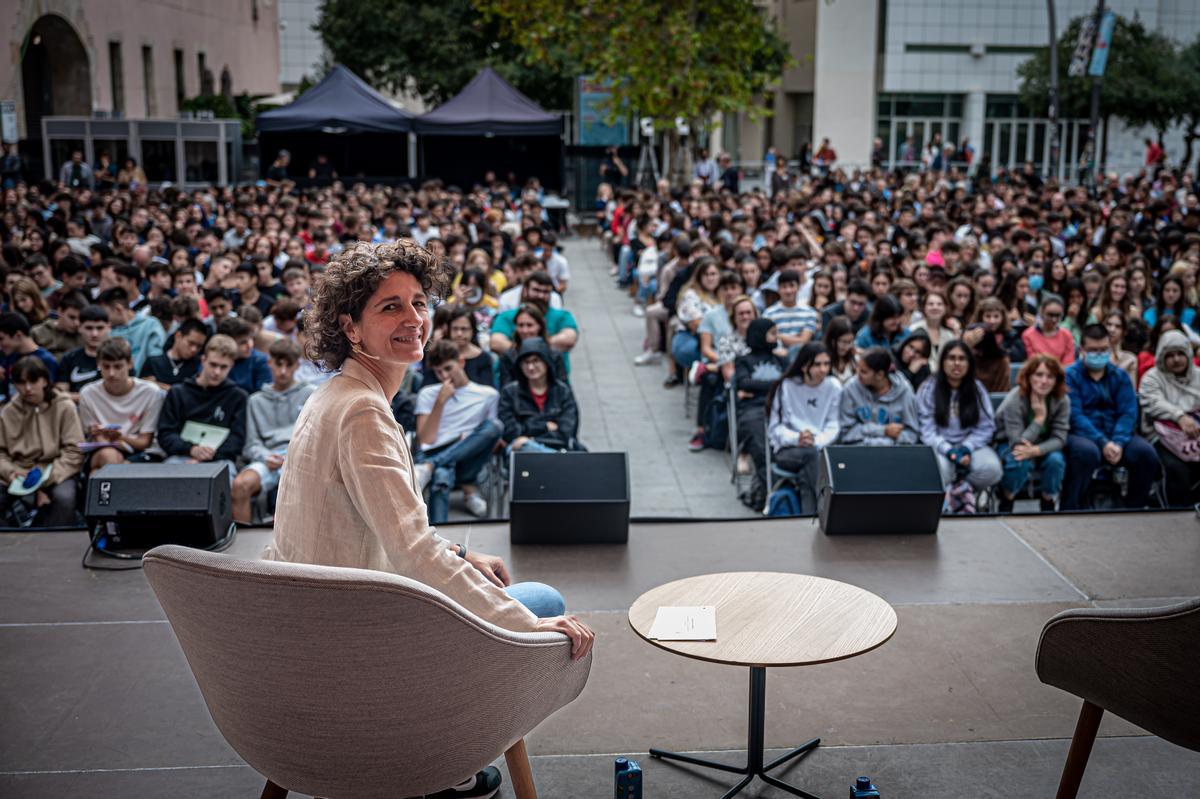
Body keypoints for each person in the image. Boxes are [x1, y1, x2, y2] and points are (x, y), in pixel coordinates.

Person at [263, 243, 592, 799]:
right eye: (390, 307)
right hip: (367, 639)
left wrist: (461, 557)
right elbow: (412, 548)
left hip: (315, 626)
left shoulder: (333, 396)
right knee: (545, 605)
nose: (413, 318)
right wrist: (520, 625)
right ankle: (441, 759)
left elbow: (386, 524)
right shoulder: (363, 411)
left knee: (507, 589)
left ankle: (450, 765)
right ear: (350, 326)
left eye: (418, 302)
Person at [1061, 324, 1162, 510]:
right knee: (1085, 453)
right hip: (1082, 435)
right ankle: (1071, 507)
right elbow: (1075, 415)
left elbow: (1128, 412)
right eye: (1092, 350)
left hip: (1117, 434)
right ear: (1081, 349)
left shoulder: (1120, 376)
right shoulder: (1070, 376)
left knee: (1145, 454)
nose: (1098, 354)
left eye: (1103, 350)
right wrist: (1103, 442)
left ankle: (1134, 508)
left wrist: (1118, 442)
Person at [415, 339, 503, 523]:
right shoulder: (428, 393)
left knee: (495, 426)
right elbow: (426, 439)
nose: (444, 376)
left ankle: (430, 466)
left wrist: (469, 438)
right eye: (438, 372)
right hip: (436, 450)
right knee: (441, 476)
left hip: (468, 456)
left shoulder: (487, 394)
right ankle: (441, 537)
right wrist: (440, 402)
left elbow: (490, 438)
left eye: (448, 368)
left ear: (461, 362)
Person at [231, 339, 317, 525]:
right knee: (240, 486)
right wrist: (265, 457)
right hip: (269, 458)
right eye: (278, 364)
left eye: (289, 365)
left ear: (297, 365)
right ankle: (241, 549)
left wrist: (294, 456)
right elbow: (251, 444)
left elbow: (318, 437)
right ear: (269, 363)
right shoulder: (255, 401)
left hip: (302, 459)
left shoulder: (311, 394)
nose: (283, 371)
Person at [916, 341, 1002, 510]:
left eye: (962, 359)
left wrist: (966, 447)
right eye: (951, 358)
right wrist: (949, 450)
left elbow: (986, 427)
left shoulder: (977, 389)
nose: (957, 363)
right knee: (941, 470)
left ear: (969, 364)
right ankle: (951, 496)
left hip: (971, 446)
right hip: (939, 447)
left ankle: (963, 490)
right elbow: (926, 430)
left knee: (993, 469)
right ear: (942, 362)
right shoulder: (928, 388)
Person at [0, 356, 83, 526]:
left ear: (45, 381)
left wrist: (46, 478)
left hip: (56, 470)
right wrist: (11, 472)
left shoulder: (64, 407)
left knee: (64, 498)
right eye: (21, 383)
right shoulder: (8, 412)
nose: (28, 388)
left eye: (33, 381)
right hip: (18, 471)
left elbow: (74, 450)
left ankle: (56, 544)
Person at [766, 343, 841, 514]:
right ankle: (819, 513)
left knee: (813, 461)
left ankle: (810, 516)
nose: (823, 369)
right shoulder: (786, 386)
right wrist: (797, 438)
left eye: (826, 364)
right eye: (817, 364)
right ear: (804, 365)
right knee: (811, 457)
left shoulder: (834, 386)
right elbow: (775, 428)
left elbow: (834, 424)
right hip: (789, 449)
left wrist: (816, 440)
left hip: (820, 446)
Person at [156, 334, 248, 473]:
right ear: (203, 360)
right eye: (213, 365)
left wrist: (208, 456)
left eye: (223, 367)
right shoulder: (178, 392)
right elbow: (166, 433)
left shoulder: (238, 397)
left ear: (231, 366)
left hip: (220, 460)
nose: (217, 372)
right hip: (180, 457)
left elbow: (237, 439)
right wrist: (191, 449)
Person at [994, 355, 1070, 513]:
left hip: (1043, 445)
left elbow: (1059, 438)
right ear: (1028, 377)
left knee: (1056, 461)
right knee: (1020, 461)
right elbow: (1017, 442)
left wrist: (1037, 450)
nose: (1044, 381)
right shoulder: (1015, 398)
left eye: (1050, 376)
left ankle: (1047, 500)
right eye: (1039, 375)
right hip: (1008, 444)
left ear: (1057, 380)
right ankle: (1007, 498)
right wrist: (1039, 418)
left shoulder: (1062, 400)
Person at [78, 338, 165, 469]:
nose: (112, 373)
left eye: (118, 366)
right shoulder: (87, 393)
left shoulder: (151, 392)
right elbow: (96, 439)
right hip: (103, 451)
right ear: (98, 364)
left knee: (100, 472)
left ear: (130, 363)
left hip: (140, 452)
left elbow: (145, 442)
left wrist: (120, 437)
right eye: (106, 367)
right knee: (108, 456)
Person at [1138, 330, 1200, 507]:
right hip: (1160, 436)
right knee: (1175, 468)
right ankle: (1175, 513)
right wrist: (1179, 416)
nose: (1176, 359)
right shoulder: (1152, 378)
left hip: (1196, 435)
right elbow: (1152, 402)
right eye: (1170, 355)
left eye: (1181, 353)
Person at [733, 318, 788, 509]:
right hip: (753, 410)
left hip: (780, 409)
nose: (777, 337)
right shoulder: (743, 361)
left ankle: (780, 492)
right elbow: (743, 383)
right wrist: (775, 385)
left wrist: (758, 388)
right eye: (772, 333)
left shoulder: (781, 360)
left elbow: (788, 382)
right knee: (761, 447)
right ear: (760, 335)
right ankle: (771, 493)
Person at [498, 337, 580, 454]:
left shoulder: (562, 391)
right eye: (526, 362)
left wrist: (532, 437)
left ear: (546, 362)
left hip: (557, 447)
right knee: (523, 448)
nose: (531, 367)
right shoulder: (510, 392)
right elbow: (510, 431)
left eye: (535, 361)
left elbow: (567, 430)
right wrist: (544, 426)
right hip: (523, 452)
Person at [839, 347, 920, 447]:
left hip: (894, 453)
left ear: (880, 375)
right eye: (857, 368)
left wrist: (886, 445)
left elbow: (912, 434)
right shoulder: (851, 388)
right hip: (859, 451)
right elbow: (846, 433)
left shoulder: (905, 391)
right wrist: (883, 431)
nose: (857, 374)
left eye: (864, 372)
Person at [962, 297, 1021, 392]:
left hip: (999, 375)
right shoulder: (971, 334)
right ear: (981, 317)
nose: (992, 321)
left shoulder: (1011, 336)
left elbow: (1016, 356)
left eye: (996, 316)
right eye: (988, 316)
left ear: (1002, 317)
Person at [100, 288, 164, 373]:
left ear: (118, 309)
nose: (104, 319)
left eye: (106, 314)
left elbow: (156, 357)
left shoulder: (150, 325)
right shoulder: (108, 332)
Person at [56, 305, 111, 400]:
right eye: (89, 328)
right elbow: (62, 393)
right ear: (79, 328)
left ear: (109, 327)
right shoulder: (69, 358)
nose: (94, 334)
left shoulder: (118, 356)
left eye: (100, 328)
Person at [0, 312, 58, 401]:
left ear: (18, 335)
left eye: (1, 339)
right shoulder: (10, 357)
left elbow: (49, 395)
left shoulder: (46, 360)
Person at [141, 317, 208, 389]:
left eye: (199, 346)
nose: (194, 349)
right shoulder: (153, 363)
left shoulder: (199, 365)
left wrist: (159, 385)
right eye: (191, 343)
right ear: (178, 336)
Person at [764, 269, 818, 352]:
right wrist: (796, 338)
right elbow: (769, 340)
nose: (788, 291)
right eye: (784, 287)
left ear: (798, 287)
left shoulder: (810, 313)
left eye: (791, 286)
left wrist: (778, 336)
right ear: (778, 289)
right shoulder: (768, 314)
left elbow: (804, 341)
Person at [218, 317, 272, 394]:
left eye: (251, 339)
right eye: (243, 342)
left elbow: (263, 396)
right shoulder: (215, 360)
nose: (250, 345)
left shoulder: (260, 360)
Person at [1021, 294, 1075, 366]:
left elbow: (1068, 363)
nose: (1054, 319)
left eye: (1057, 315)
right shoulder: (1028, 335)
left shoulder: (1066, 335)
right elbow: (1032, 362)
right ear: (1041, 312)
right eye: (1050, 315)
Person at [446, 306, 494, 387]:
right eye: (455, 328)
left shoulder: (484, 358)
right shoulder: (440, 355)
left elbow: (488, 391)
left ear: (472, 331)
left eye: (464, 329)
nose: (459, 334)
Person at [31, 291, 86, 360]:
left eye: (80, 319)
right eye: (72, 317)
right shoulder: (37, 333)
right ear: (60, 311)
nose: (77, 323)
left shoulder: (84, 336)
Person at [823, 315, 857, 384]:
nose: (847, 347)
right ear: (832, 340)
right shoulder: (822, 358)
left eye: (850, 342)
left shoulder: (855, 358)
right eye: (843, 342)